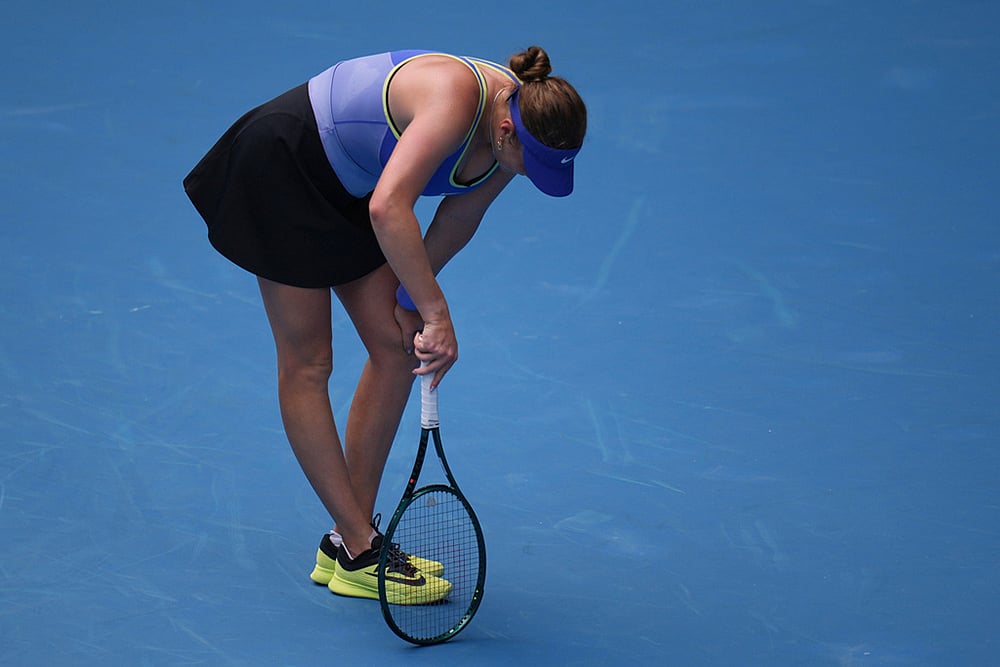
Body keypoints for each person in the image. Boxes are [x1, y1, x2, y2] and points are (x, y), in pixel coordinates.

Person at [183, 46, 586, 603]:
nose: (527, 175)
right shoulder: (457, 100)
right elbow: (389, 208)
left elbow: (460, 214)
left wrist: (409, 297)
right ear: (503, 129)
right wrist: (437, 310)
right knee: (308, 363)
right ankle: (359, 543)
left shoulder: (516, 130)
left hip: (358, 186)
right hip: (283, 165)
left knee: (397, 346)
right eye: (530, 162)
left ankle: (348, 544)